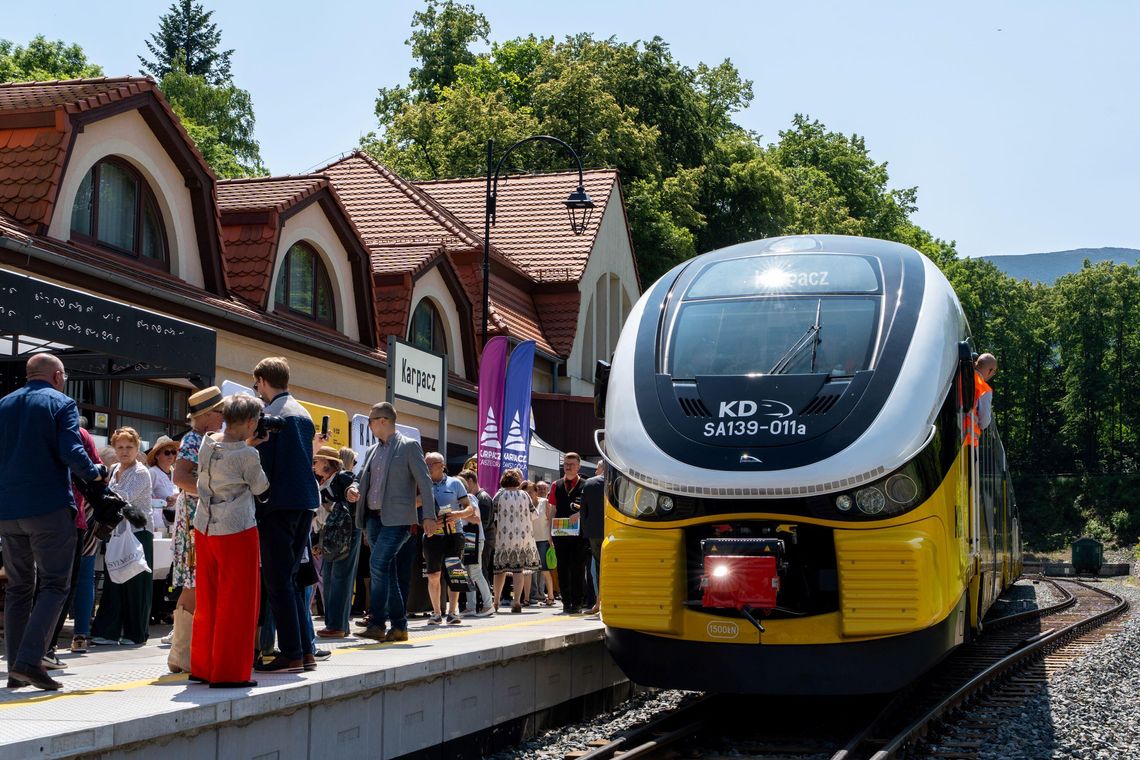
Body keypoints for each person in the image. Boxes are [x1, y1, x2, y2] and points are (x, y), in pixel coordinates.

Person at [0, 354, 101, 690]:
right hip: (48, 507)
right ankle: (30, 660)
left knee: (18, 588)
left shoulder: (3, 404)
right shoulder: (62, 403)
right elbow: (71, 449)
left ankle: (16, 668)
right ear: (58, 376)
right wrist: (94, 473)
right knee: (56, 584)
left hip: (7, 510)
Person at [192, 394, 269, 687]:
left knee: (208, 598)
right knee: (237, 601)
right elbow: (261, 486)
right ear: (250, 422)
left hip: (205, 524)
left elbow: (226, 452)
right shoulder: (249, 455)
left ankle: (202, 666)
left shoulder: (207, 440)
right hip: (236, 528)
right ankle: (229, 672)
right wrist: (252, 449)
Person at [250, 357, 320, 673]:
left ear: (263, 380)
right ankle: (305, 651)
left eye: (256, 385)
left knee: (277, 581)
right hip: (305, 502)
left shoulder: (272, 415)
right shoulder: (303, 413)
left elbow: (263, 465)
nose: (257, 391)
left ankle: (292, 652)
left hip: (278, 504)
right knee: (290, 579)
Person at [351, 402, 436, 642]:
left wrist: (429, 515)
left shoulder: (409, 447)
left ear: (383, 420)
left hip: (398, 520)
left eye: (370, 420)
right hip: (373, 519)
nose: (369, 425)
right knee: (383, 571)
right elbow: (360, 479)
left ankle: (381, 623)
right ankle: (395, 627)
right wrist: (353, 488)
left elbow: (426, 482)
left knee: (378, 565)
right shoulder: (371, 451)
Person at [165, 386, 224, 672]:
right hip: (193, 517)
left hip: (198, 516)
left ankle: (186, 653)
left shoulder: (203, 438)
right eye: (221, 412)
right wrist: (211, 493)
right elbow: (180, 477)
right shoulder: (194, 439)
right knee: (194, 582)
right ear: (208, 416)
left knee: (198, 582)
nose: (224, 417)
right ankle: (181, 655)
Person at [91, 427, 154, 646]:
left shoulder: (141, 472)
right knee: (113, 581)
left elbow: (122, 498)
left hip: (138, 532)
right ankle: (107, 632)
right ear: (114, 449)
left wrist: (101, 494)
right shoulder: (113, 468)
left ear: (138, 448)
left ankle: (136, 633)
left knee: (136, 583)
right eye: (120, 447)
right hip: (116, 533)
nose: (125, 451)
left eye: (129, 447)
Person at [423, 452, 474, 625]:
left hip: (454, 534)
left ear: (441, 465)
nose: (427, 467)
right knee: (433, 575)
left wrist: (457, 514)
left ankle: (453, 612)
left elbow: (470, 508)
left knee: (455, 572)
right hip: (432, 535)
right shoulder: (422, 483)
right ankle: (436, 613)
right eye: (426, 464)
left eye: (430, 464)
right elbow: (412, 505)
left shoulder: (455, 483)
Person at [314, 446, 359, 638]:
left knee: (339, 578)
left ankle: (337, 626)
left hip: (346, 534)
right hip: (332, 536)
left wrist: (332, 505)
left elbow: (354, 497)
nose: (314, 465)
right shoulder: (323, 481)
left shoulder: (343, 478)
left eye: (317, 461)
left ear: (327, 463)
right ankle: (337, 625)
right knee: (331, 578)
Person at [491, 468, 541, 613]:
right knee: (518, 570)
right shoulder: (525, 495)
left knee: (499, 570)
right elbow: (534, 515)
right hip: (522, 537)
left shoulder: (499, 495)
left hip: (503, 537)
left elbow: (492, 516)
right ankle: (517, 601)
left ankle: (496, 602)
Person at [547, 452, 590, 614]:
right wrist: (550, 531)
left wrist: (578, 514)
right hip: (560, 533)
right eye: (566, 464)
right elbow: (552, 509)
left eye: (571, 464)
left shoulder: (586, 485)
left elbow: (590, 508)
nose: (568, 467)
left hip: (579, 535)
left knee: (578, 569)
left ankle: (577, 602)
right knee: (563, 569)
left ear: (578, 466)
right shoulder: (556, 485)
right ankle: (566, 602)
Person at [458, 470, 495, 617]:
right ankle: (471, 606)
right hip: (468, 538)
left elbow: (477, 518)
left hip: (475, 538)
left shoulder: (470, 498)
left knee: (476, 571)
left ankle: (488, 604)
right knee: (468, 572)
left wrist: (458, 515)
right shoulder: (461, 500)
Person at [579, 461, 606, 616]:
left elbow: (584, 510)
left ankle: (598, 603)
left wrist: (586, 530)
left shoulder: (590, 483)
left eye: (597, 467)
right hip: (617, 530)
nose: (596, 470)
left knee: (598, 567)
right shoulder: (620, 481)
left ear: (602, 468)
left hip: (595, 532)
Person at [147, 436, 180, 534]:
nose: (171, 455)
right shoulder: (152, 472)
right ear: (157, 456)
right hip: (157, 523)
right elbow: (144, 497)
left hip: (174, 521)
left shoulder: (175, 473)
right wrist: (163, 502)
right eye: (166, 452)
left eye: (173, 452)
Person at [975, 353, 998, 431]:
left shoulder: (962, 376)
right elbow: (984, 422)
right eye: (994, 372)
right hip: (968, 437)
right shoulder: (985, 390)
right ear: (990, 371)